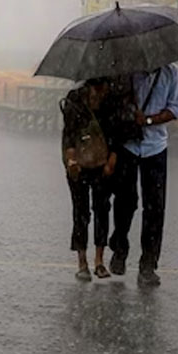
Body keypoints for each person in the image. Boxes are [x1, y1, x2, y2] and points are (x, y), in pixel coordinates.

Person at [110, 62, 178, 287]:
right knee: (125, 201)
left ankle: (148, 264)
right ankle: (119, 247)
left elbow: (175, 109)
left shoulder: (171, 73)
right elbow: (116, 101)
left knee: (155, 207)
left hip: (156, 147)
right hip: (129, 144)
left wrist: (149, 120)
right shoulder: (128, 71)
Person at [60, 78, 117, 281]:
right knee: (81, 209)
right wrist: (71, 160)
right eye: (97, 89)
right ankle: (82, 261)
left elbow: (115, 132)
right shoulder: (74, 100)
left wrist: (112, 158)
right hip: (79, 163)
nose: (100, 92)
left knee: (102, 208)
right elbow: (69, 134)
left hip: (102, 164)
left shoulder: (112, 99)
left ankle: (99, 261)